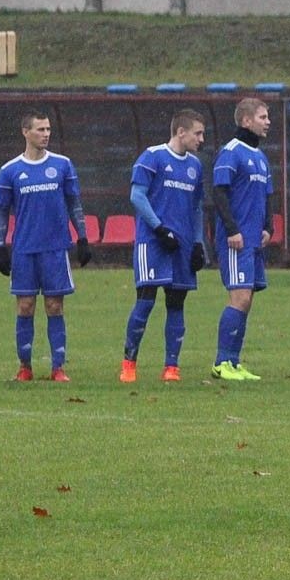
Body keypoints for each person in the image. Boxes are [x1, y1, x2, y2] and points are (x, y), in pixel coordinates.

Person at [0, 109, 93, 382]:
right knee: (25, 306)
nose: (46, 134)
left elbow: (75, 204)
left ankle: (58, 368)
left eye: (48, 129)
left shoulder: (62, 165)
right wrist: (0, 245)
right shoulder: (10, 170)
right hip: (24, 249)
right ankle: (25, 367)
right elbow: (1, 211)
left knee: (54, 306)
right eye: (40, 129)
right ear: (25, 132)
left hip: (55, 248)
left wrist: (82, 237)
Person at [118, 109, 207, 384]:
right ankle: (129, 363)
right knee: (145, 300)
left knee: (176, 302)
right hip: (153, 241)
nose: (201, 139)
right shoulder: (152, 156)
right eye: (198, 133)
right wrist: (159, 228)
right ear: (181, 132)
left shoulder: (195, 165)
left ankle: (172, 367)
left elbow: (197, 207)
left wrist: (198, 243)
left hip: (181, 244)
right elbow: (137, 196)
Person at [210, 97, 274, 381]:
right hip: (235, 239)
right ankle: (221, 362)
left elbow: (266, 197)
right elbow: (219, 193)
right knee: (239, 297)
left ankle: (234, 363)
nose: (268, 121)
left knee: (246, 300)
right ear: (246, 120)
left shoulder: (260, 157)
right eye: (262, 117)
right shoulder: (231, 152)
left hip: (253, 239)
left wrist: (267, 227)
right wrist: (232, 229)